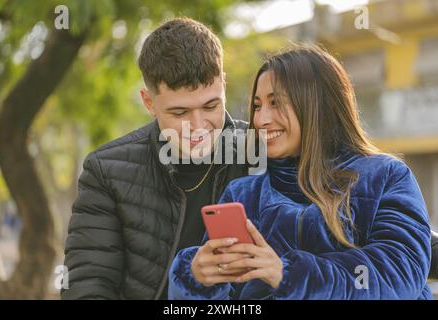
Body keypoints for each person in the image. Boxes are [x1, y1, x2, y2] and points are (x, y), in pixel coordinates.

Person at [168, 44, 434, 299]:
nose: (261, 119)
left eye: (276, 103)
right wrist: (197, 280)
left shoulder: (385, 177)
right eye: (258, 106)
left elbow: (398, 277)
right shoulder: (243, 194)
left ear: (316, 104)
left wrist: (288, 274)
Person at [61, 18, 247, 300]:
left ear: (223, 84)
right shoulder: (105, 171)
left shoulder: (265, 149)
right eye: (180, 113)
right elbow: (86, 287)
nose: (198, 126)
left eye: (211, 106)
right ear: (149, 103)